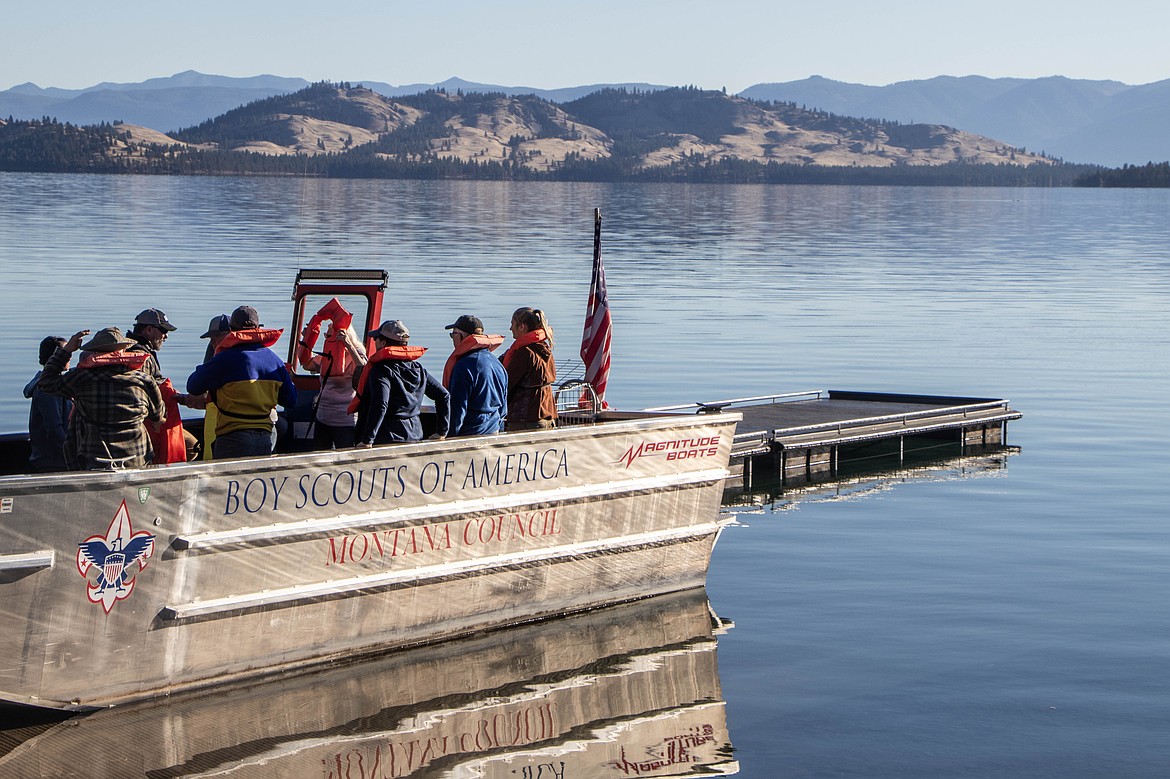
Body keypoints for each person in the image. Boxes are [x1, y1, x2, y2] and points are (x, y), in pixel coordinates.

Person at [37, 327, 164, 470]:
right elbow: (158, 416)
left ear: (94, 352)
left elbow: (46, 383)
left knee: (79, 411)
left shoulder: (80, 378)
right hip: (137, 459)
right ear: (123, 351)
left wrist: (66, 351)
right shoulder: (145, 381)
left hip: (93, 459)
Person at [186, 305, 297, 460]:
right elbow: (291, 400)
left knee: (226, 483)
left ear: (232, 330)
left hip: (232, 438)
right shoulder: (275, 362)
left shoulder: (224, 359)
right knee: (256, 482)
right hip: (264, 438)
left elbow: (193, 386)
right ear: (258, 328)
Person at [351, 320, 449, 446]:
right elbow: (443, 395)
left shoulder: (381, 370)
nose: (374, 342)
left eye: (376, 339)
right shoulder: (418, 369)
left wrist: (367, 440)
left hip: (386, 438)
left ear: (383, 343)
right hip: (414, 435)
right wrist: (441, 432)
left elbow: (381, 404)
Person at [297, 301, 368, 449]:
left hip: (345, 420)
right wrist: (306, 341)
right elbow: (307, 364)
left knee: (346, 456)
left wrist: (348, 345)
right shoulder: (328, 355)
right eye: (326, 335)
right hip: (322, 416)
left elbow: (363, 370)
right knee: (319, 458)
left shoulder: (357, 353)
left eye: (330, 335)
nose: (327, 339)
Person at [443, 314, 507, 437]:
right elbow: (503, 408)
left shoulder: (464, 366)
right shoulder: (497, 364)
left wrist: (449, 436)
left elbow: (458, 408)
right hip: (493, 430)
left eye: (453, 334)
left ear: (461, 336)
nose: (452, 338)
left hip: (470, 433)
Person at [501, 307, 558, 431]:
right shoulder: (545, 349)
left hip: (526, 420)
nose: (510, 329)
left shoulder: (524, 353)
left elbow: (507, 384)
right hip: (547, 415)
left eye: (512, 324)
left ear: (522, 327)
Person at [23, 336, 72, 472]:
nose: (70, 357)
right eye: (66, 353)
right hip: (53, 461)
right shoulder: (48, 389)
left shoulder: (55, 384)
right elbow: (53, 427)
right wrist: (69, 454)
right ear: (55, 357)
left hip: (53, 458)